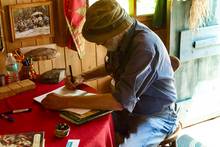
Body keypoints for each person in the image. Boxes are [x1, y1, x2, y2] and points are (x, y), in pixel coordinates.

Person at [41, 0, 178, 146]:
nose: (99, 44)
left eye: (102, 40)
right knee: (83, 126)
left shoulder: (144, 48)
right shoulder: (123, 38)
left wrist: (64, 101)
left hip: (156, 115)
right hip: (129, 110)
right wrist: (83, 76)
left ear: (117, 31)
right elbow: (110, 67)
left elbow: (119, 102)